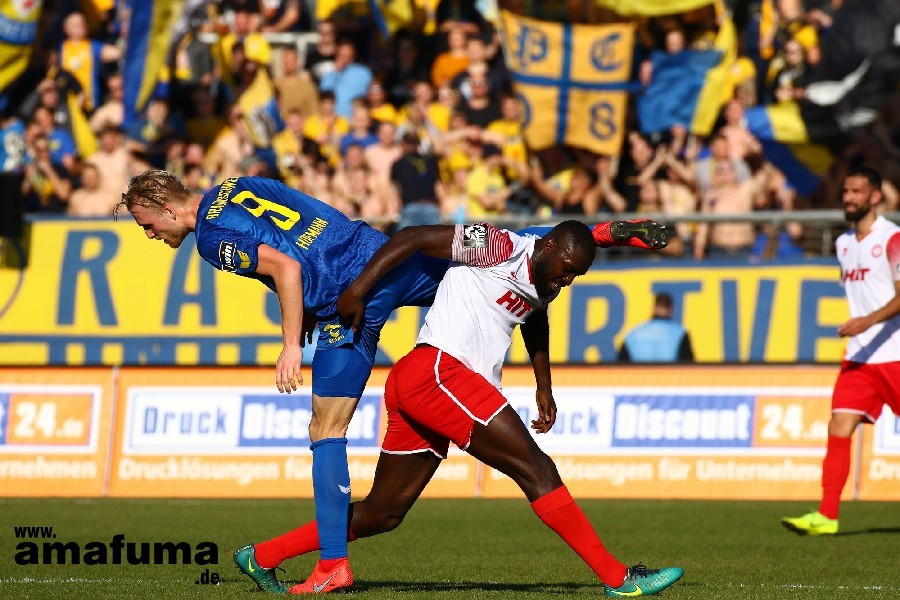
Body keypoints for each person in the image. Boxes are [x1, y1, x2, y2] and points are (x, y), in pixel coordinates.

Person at [117, 169, 669, 594]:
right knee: (498, 262)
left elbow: (285, 266)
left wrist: (292, 340)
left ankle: (315, 562)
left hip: (349, 297)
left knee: (334, 440)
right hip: (378, 263)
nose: (150, 234)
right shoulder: (239, 184)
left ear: (166, 206)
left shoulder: (211, 238)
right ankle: (619, 579)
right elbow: (304, 229)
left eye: (147, 224)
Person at [236, 221, 683, 596]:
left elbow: (534, 316)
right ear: (548, 246)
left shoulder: (545, 278)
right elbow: (412, 237)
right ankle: (618, 578)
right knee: (537, 470)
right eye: (567, 270)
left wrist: (544, 386)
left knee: (383, 513)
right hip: (440, 373)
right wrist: (358, 289)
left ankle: (263, 556)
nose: (566, 281)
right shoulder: (498, 245)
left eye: (575, 276)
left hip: (424, 383)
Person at [782, 166, 900, 536]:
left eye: (856, 191)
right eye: (845, 192)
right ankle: (827, 515)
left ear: (875, 197)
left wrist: (868, 320)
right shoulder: (843, 243)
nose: (848, 198)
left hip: (895, 354)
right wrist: (861, 327)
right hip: (860, 358)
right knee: (839, 425)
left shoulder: (893, 238)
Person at [619, 293, 694, 362]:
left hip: (638, 373)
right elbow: (688, 366)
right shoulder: (680, 333)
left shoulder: (633, 334)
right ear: (671, 310)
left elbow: (620, 365)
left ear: (654, 308)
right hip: (668, 373)